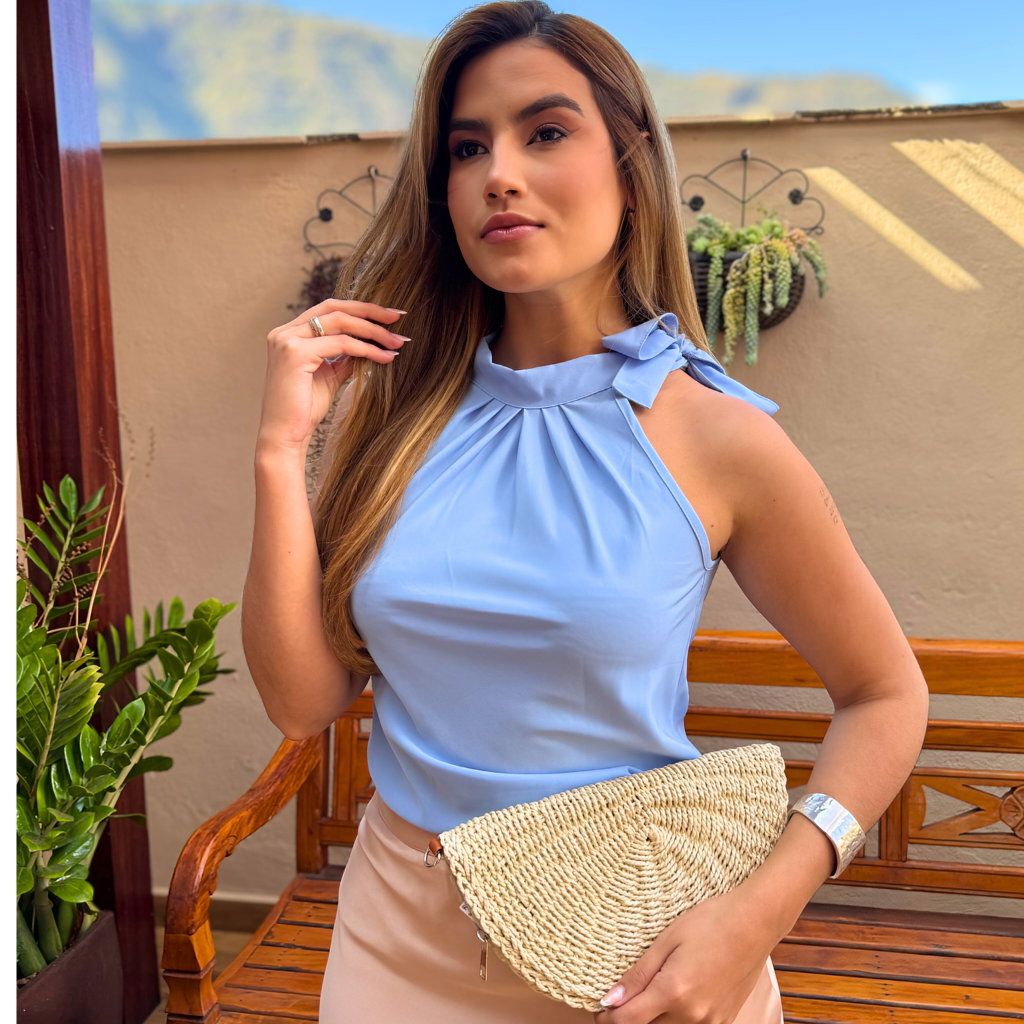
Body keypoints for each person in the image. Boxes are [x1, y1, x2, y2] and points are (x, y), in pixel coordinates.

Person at [241, 3, 929, 1021]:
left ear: (631, 167)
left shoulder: (717, 436)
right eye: (467, 147)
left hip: (634, 947)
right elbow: (304, 706)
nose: (498, 174)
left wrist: (758, 914)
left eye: (546, 131)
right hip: (397, 934)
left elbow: (885, 694)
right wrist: (278, 452)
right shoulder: (397, 418)